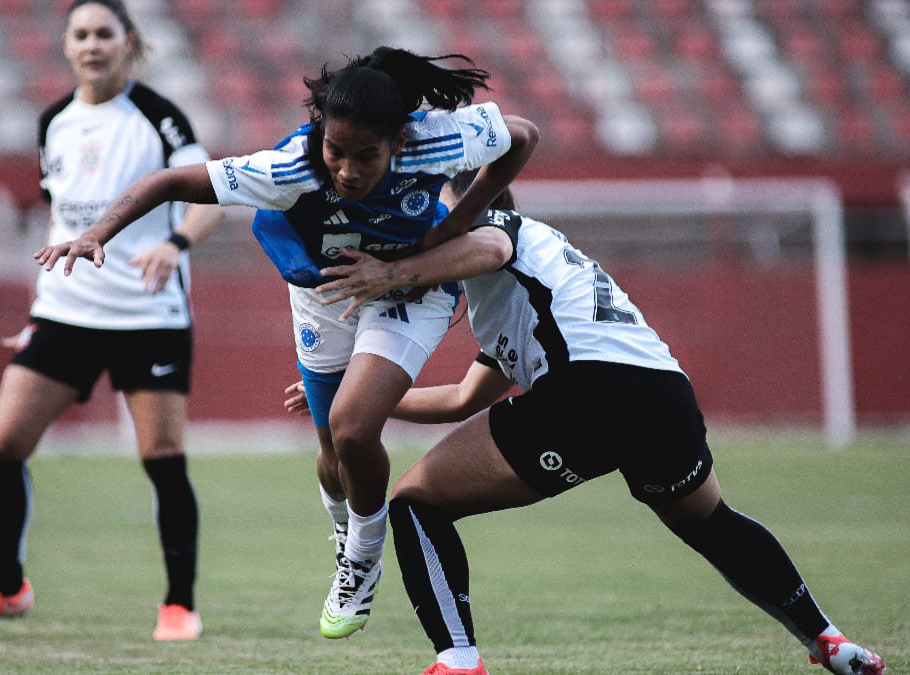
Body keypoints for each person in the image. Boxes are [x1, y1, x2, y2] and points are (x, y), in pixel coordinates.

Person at [34, 46, 539, 639]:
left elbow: (523, 136)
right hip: (324, 293)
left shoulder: (437, 141)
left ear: (399, 142)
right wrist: (95, 233)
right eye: (335, 151)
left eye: (366, 156)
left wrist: (457, 224)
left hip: (410, 287)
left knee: (354, 427)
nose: (346, 170)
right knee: (332, 459)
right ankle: (346, 531)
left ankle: (362, 558)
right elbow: (168, 181)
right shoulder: (288, 168)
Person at [295, 170, 886, 674]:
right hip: (663, 393)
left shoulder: (502, 234)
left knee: (415, 503)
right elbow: (461, 398)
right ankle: (828, 641)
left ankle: (458, 660)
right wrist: (361, 395)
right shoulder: (534, 275)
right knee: (711, 523)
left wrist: (394, 274)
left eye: (439, 203)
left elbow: (492, 246)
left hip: (588, 388)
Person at [0, 0, 224, 641]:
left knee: (163, 456)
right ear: (66, 46)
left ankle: (179, 605)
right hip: (64, 313)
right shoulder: (54, 122)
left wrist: (175, 244)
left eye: (104, 33)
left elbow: (210, 199)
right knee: (3, 445)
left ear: (128, 41)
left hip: (148, 314)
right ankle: (6, 587)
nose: (92, 45)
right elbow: (60, 219)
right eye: (81, 35)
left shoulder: (159, 117)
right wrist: (38, 306)